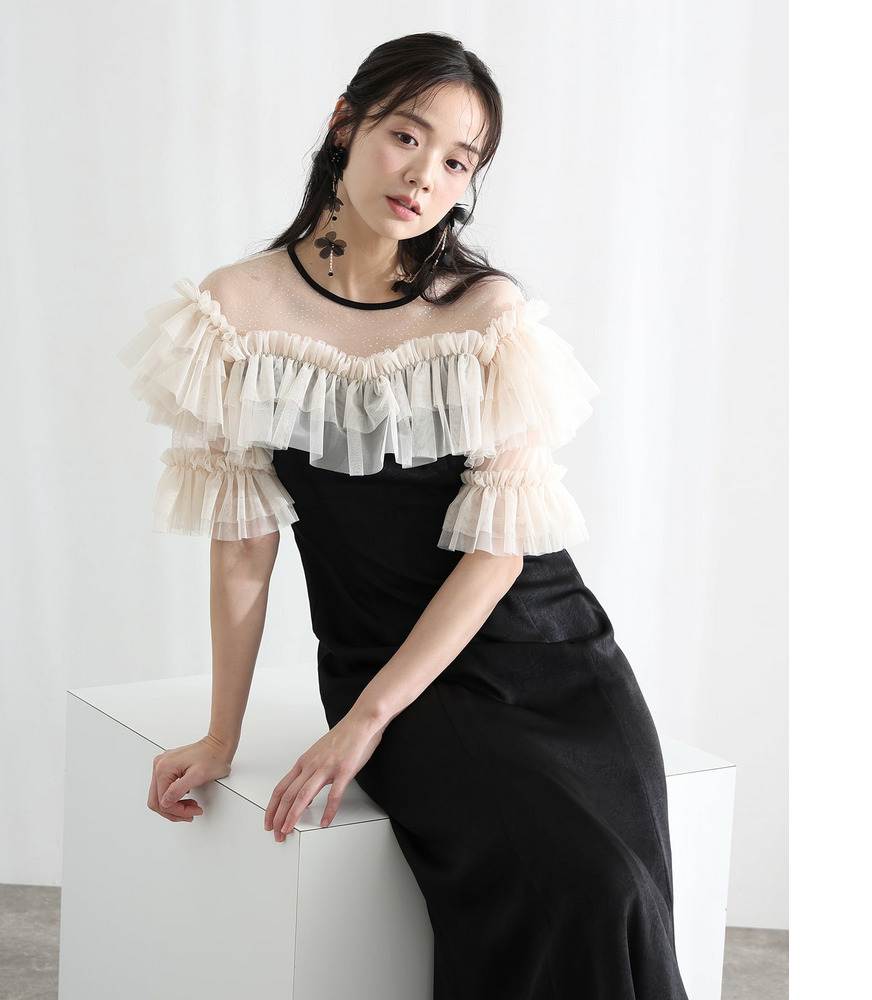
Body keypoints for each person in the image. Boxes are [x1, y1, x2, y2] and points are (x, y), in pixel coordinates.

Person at [118, 30, 690, 1000]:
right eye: (407, 136)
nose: (426, 175)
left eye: (459, 160)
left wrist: (363, 724)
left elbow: (500, 552)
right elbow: (244, 547)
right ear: (346, 125)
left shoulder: (482, 313)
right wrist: (222, 736)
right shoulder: (237, 310)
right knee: (586, 889)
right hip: (394, 672)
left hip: (550, 659)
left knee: (623, 893)